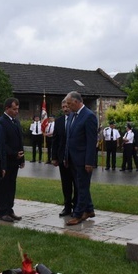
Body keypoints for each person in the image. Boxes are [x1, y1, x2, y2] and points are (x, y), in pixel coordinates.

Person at [64, 91, 98, 225]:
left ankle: (78, 214)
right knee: (80, 185)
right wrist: (66, 156)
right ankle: (89, 209)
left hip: (83, 160)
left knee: (82, 187)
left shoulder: (89, 116)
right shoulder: (72, 115)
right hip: (72, 158)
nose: (67, 106)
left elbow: (91, 141)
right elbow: (69, 138)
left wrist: (89, 162)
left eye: (69, 103)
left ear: (77, 102)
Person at [0, 98, 25, 222]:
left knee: (11, 185)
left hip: (15, 161)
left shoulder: (16, 122)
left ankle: (10, 209)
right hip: (6, 161)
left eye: (17, 109)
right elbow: (2, 143)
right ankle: (3, 211)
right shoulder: (1, 122)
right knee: (3, 186)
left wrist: (21, 158)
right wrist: (13, 154)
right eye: (14, 109)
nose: (16, 111)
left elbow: (20, 140)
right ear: (7, 108)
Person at [50, 99, 77, 216]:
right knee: (65, 184)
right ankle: (67, 207)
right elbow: (55, 140)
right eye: (63, 107)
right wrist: (54, 157)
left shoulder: (77, 120)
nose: (65, 109)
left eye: (67, 106)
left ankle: (76, 206)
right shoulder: (59, 121)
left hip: (75, 158)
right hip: (62, 158)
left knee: (76, 183)